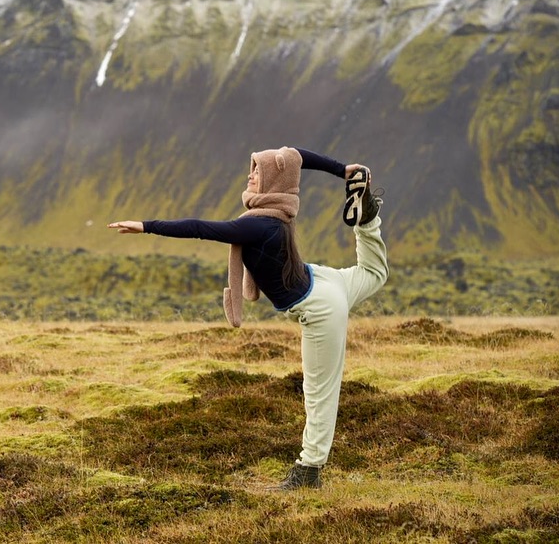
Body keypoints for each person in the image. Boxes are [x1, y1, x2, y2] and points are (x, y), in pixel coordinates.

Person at [107, 147, 388, 490]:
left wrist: (147, 226)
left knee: (319, 392)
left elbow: (200, 228)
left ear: (271, 179)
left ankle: (308, 470)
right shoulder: (279, 211)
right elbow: (297, 155)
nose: (250, 176)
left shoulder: (258, 226)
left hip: (320, 307)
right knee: (374, 272)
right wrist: (343, 170)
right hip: (324, 280)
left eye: (256, 172)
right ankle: (368, 217)